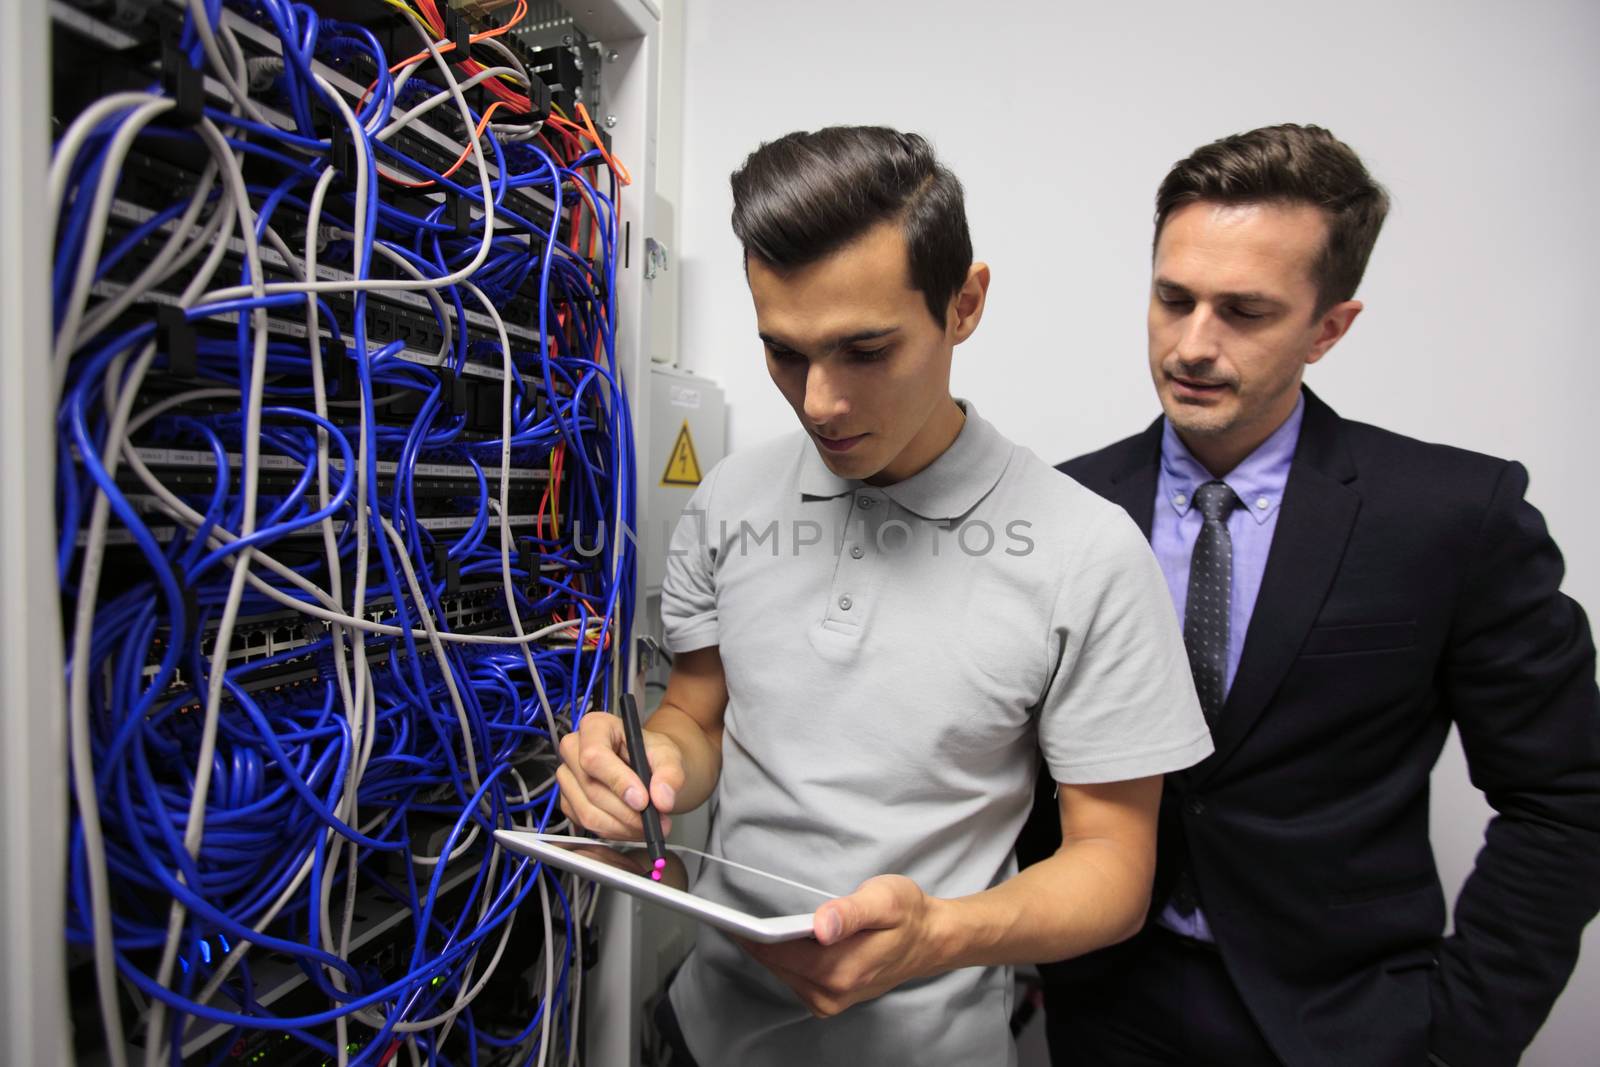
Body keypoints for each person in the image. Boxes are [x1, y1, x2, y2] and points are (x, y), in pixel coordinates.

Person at [554, 126, 1213, 1066]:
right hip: (699, 1030)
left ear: (965, 304)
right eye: (784, 353)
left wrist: (936, 934)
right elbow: (696, 720)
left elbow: (1112, 871)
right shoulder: (729, 499)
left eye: (864, 349)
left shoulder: (1088, 552)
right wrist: (642, 773)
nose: (819, 401)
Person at [1019, 123, 1600, 1067]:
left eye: (1244, 311)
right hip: (1101, 1008)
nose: (1193, 345)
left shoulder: (1454, 515)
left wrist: (1458, 1034)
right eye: (1173, 299)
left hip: (1346, 1024)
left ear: (1330, 326)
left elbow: (1566, 794)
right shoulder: (1061, 503)